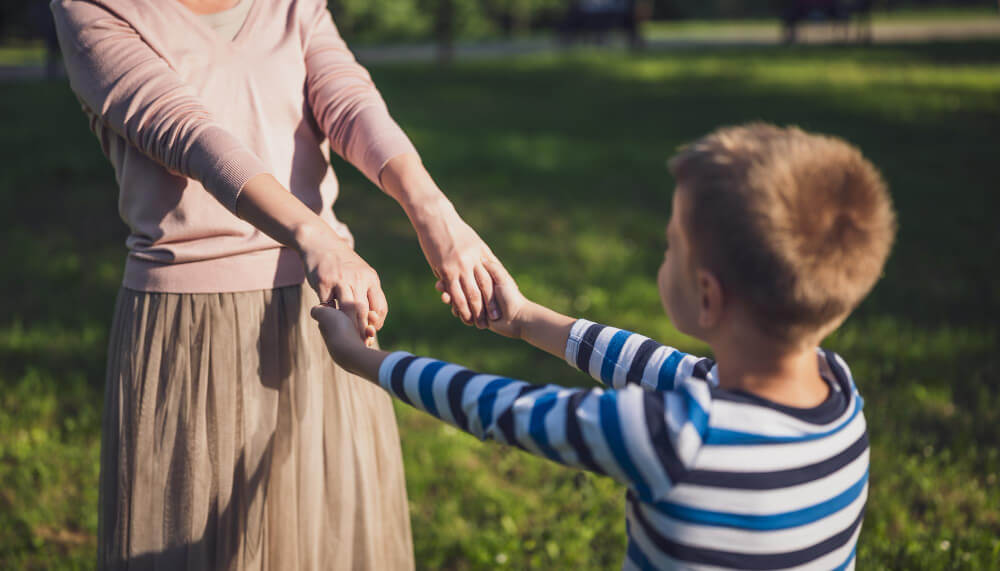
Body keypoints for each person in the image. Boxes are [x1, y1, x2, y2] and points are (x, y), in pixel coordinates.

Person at [50, 0, 505, 568]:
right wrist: (313, 235)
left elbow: (352, 106)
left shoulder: (297, 8)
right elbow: (187, 134)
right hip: (190, 330)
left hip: (329, 321)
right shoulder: (95, 14)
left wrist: (437, 215)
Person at [313, 123, 897, 569]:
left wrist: (365, 358)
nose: (664, 256)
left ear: (708, 297)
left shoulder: (674, 438)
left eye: (671, 246)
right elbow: (664, 369)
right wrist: (524, 319)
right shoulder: (837, 391)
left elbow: (497, 407)